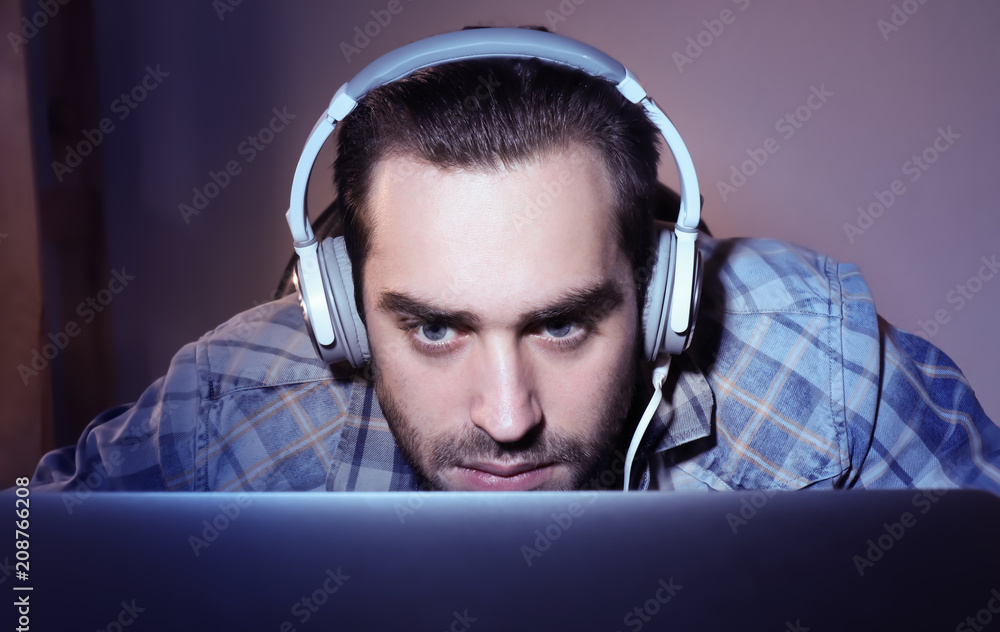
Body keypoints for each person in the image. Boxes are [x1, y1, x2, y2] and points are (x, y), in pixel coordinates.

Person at [31, 27, 1000, 495]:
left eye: (564, 322)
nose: (506, 419)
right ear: (337, 307)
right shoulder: (234, 410)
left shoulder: (817, 375)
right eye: (435, 327)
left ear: (663, 295)